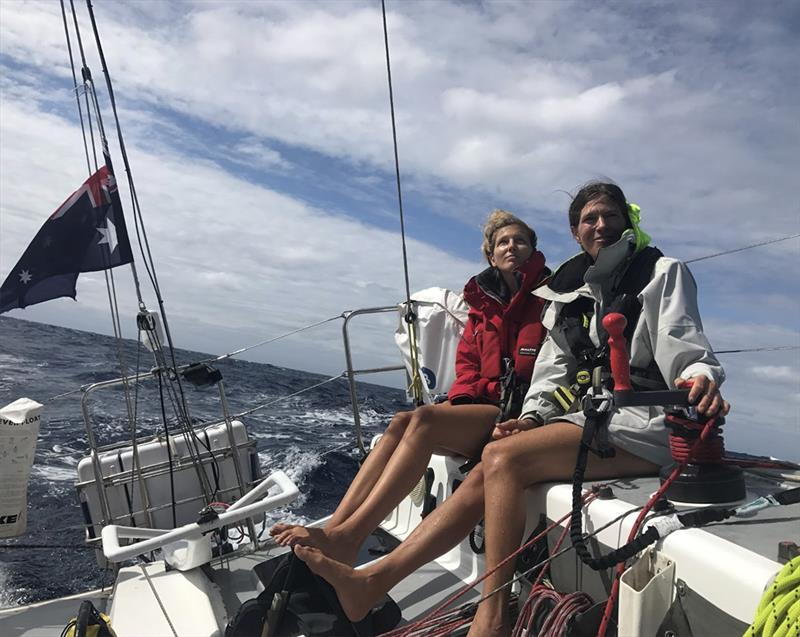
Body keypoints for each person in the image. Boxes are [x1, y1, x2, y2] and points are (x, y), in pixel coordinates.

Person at [293, 181, 730, 637]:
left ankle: (493, 615)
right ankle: (371, 581)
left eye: (611, 216)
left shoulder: (661, 273)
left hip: (649, 420)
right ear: (576, 232)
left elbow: (686, 344)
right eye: (589, 219)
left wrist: (698, 377)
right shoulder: (568, 291)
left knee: (501, 457)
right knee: (489, 465)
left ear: (627, 221)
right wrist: (530, 418)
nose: (601, 225)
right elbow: (552, 370)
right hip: (590, 419)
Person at [270, 209, 550, 567]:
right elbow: (466, 363)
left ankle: (349, 537)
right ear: (490, 254)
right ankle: (337, 526)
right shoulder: (482, 305)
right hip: (481, 404)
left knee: (426, 421)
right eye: (503, 242)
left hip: (518, 412)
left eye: (520, 240)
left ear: (533, 249)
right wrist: (465, 400)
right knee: (404, 420)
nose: (512, 246)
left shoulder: (550, 299)